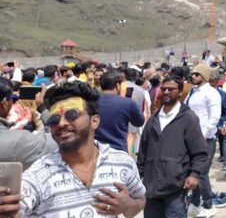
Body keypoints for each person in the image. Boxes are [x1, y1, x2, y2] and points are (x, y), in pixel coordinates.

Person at [18, 82, 147, 217]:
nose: (61, 124)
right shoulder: (39, 174)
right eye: (54, 119)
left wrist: (127, 206)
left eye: (72, 115)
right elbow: (17, 204)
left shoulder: (122, 162)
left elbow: (140, 199)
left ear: (94, 121)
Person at [138, 76, 208, 218]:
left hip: (176, 186)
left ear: (180, 92)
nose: (166, 92)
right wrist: (137, 176)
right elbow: (143, 152)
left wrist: (194, 175)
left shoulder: (188, 118)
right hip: (151, 187)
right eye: (164, 89)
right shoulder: (153, 120)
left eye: (171, 89)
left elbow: (200, 152)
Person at [184, 63, 222, 217]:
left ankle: (208, 204)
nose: (193, 76)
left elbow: (214, 116)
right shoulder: (193, 92)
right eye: (193, 74)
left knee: (202, 173)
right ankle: (195, 202)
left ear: (205, 76)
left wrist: (204, 133)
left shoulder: (211, 93)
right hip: (192, 137)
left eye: (197, 74)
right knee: (194, 171)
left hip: (205, 138)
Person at [0, 77, 57, 169]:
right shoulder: (18, 141)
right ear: (4, 104)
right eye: (13, 98)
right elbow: (57, 140)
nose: (16, 102)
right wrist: (43, 108)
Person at [94, 70, 145, 152]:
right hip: (118, 150)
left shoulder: (91, 102)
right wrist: (134, 103)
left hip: (95, 150)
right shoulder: (127, 103)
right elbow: (139, 122)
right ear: (117, 86)